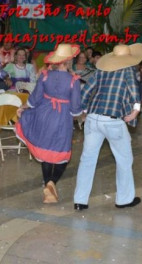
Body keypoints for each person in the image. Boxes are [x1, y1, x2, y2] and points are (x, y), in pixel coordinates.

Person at [73, 43, 142, 211]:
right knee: (124, 160)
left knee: (87, 160)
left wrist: (83, 110)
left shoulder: (101, 70)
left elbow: (86, 90)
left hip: (93, 118)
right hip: (113, 120)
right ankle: (124, 199)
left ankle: (80, 200)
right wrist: (136, 110)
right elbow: (135, 90)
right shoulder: (128, 70)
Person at [15, 44, 82, 204]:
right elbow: (75, 110)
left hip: (44, 115)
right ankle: (51, 183)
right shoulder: (74, 81)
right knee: (62, 154)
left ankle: (48, 187)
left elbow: (35, 99)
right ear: (70, 60)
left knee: (46, 153)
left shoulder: (45, 75)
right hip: (62, 118)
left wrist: (24, 107)